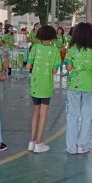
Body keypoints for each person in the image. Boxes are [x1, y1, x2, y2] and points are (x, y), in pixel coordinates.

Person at [64, 22, 92, 154]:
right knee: (87, 116)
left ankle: (71, 147)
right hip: (89, 85)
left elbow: (68, 68)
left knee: (72, 115)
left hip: (74, 85)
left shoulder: (71, 48)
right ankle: (82, 145)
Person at [26, 25, 61, 153]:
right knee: (44, 113)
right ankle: (39, 142)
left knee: (36, 111)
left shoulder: (35, 48)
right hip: (46, 85)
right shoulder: (55, 50)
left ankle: (32, 141)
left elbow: (28, 65)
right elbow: (54, 70)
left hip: (35, 84)